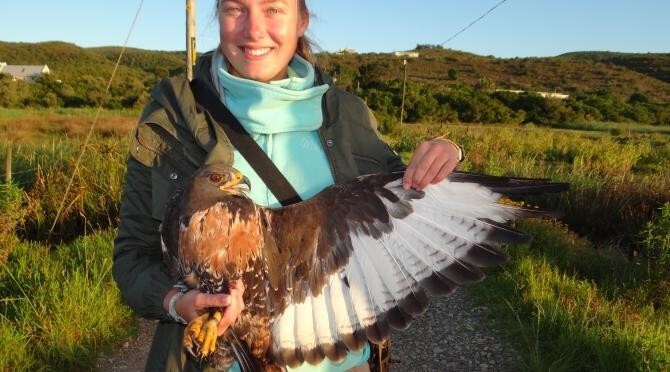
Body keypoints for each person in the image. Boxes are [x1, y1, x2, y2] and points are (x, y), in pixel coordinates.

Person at [112, 0, 463, 371]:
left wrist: (447, 151)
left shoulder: (347, 115)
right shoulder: (174, 117)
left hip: (344, 362)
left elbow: (405, 201)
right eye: (236, 9)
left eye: (273, 9)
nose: (254, 28)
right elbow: (133, 257)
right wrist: (176, 302)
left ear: (302, 20)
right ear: (218, 17)